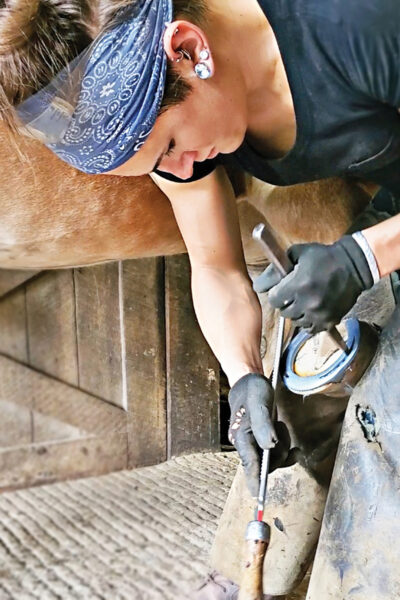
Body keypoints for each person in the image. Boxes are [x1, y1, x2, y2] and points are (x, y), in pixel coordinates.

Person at [3, 0, 400, 597]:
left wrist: (362, 257)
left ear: (189, 50)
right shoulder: (169, 114)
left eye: (169, 146)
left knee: (387, 411)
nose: (182, 168)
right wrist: (244, 379)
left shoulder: (358, 23)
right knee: (302, 389)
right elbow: (214, 266)